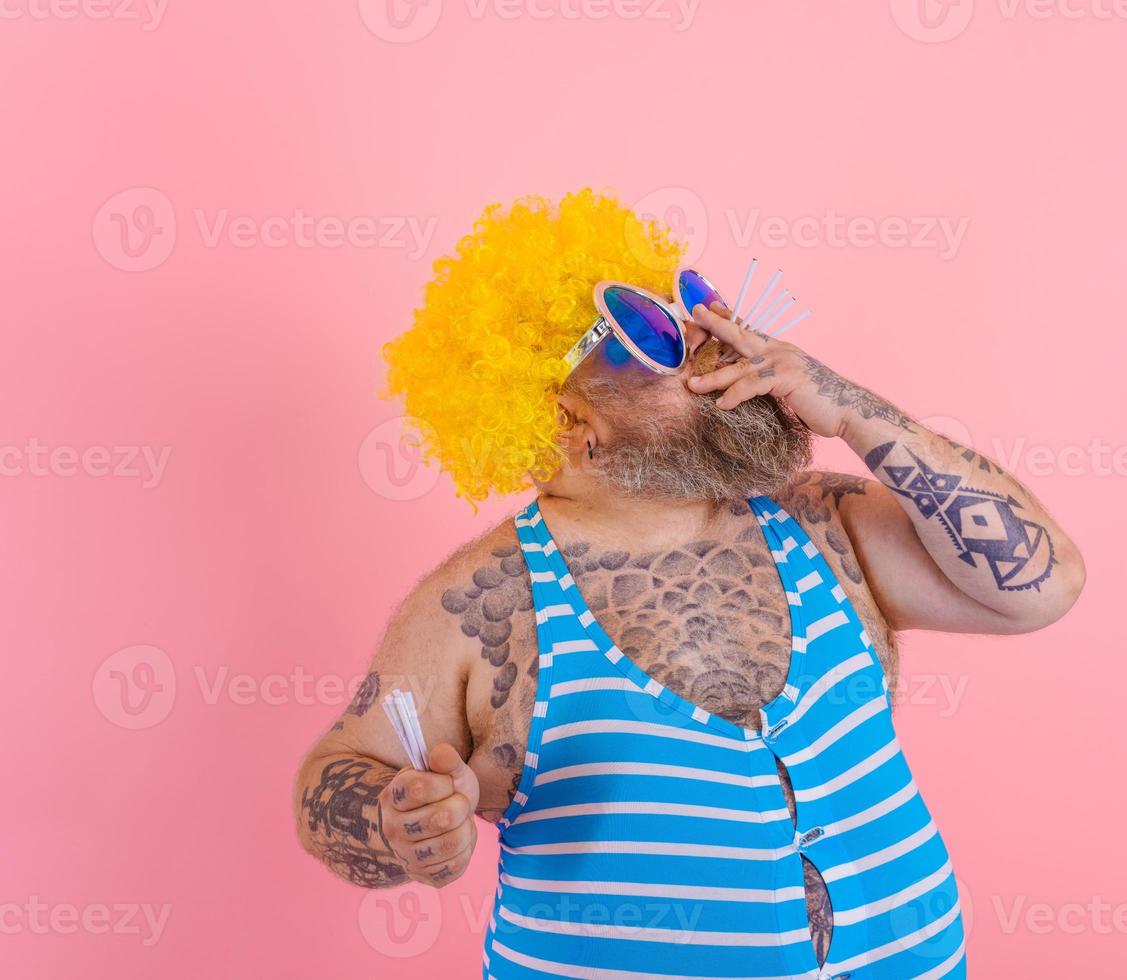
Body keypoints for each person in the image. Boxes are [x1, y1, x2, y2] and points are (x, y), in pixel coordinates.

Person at [293, 190, 1084, 979]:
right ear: (565, 421)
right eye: (652, 332)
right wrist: (397, 825)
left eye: (696, 305)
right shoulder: (484, 604)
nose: (714, 339)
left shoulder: (823, 527)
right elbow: (338, 774)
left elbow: (1038, 586)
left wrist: (847, 409)